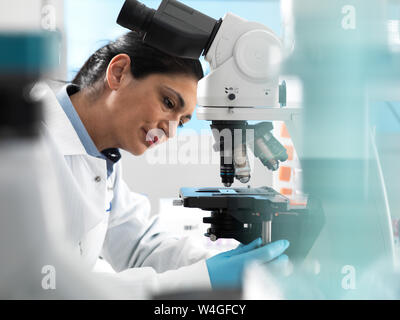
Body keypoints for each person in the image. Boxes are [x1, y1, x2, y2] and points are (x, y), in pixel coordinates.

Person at [40, 31, 290, 295]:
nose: (170, 131)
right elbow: (45, 285)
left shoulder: (102, 158)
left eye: (181, 122)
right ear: (119, 73)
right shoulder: (24, 144)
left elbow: (138, 245)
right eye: (168, 102)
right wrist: (204, 279)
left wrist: (218, 264)